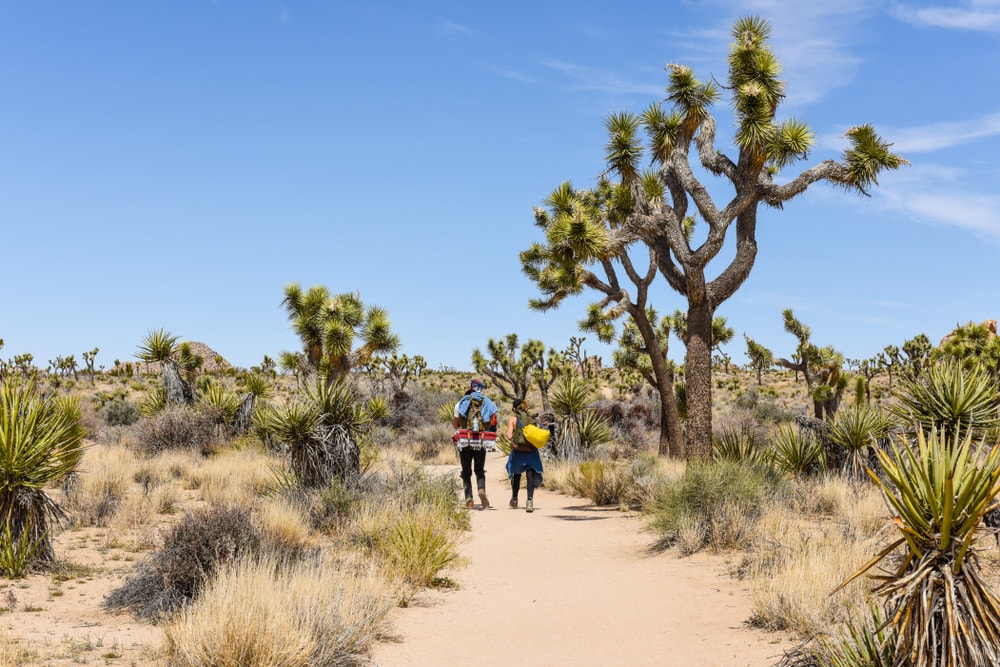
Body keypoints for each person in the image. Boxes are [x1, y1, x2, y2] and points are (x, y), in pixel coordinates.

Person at [453, 378, 498, 509]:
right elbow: (493, 422)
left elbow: (456, 424)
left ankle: (469, 500)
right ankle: (482, 490)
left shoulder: (461, 403)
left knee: (466, 471)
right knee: (479, 470)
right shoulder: (486, 402)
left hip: (465, 441)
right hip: (481, 441)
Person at [505, 398, 544, 513]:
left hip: (518, 452)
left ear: (514, 408)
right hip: (531, 452)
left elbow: (508, 435)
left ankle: (515, 499)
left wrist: (514, 438)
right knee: (530, 476)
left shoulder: (513, 419)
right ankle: (530, 501)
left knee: (516, 475)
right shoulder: (532, 419)